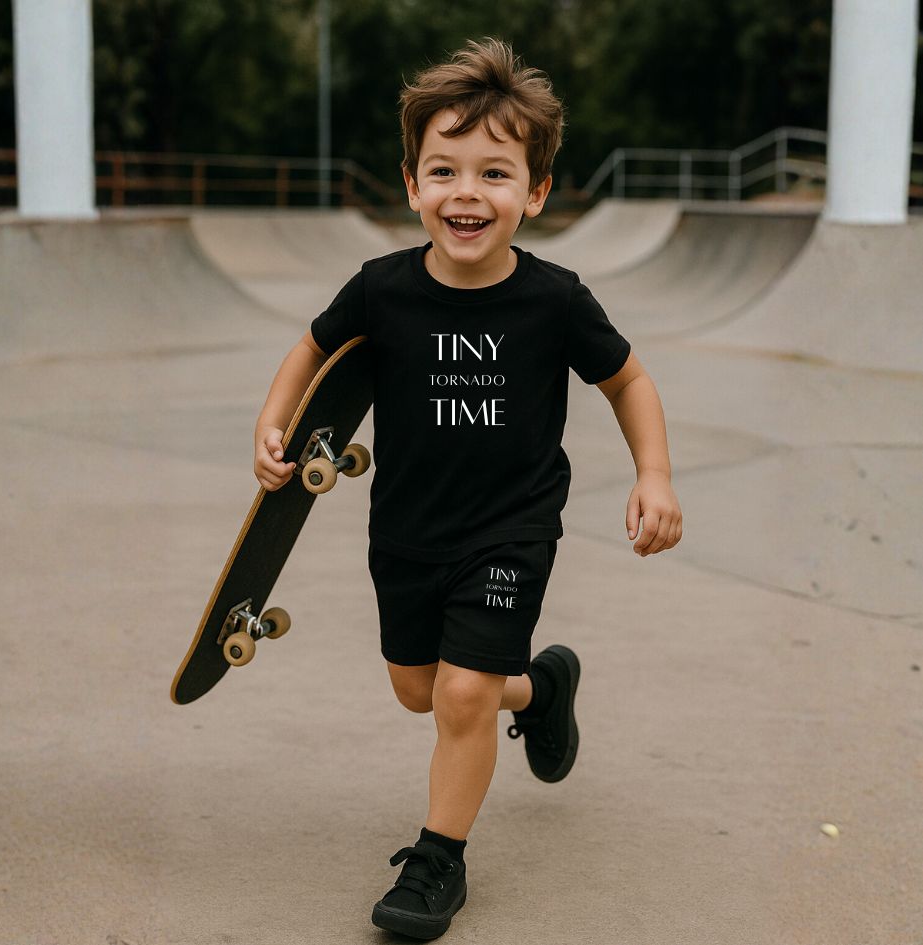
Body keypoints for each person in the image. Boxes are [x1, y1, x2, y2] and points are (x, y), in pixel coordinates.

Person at [254, 37, 682, 941]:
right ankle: (542, 689)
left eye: (494, 174)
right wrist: (276, 422)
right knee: (422, 688)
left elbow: (628, 380)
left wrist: (654, 473)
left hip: (511, 530)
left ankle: (436, 861)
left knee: (458, 695)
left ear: (533, 194)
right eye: (443, 170)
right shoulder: (381, 290)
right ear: (411, 185)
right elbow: (311, 350)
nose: (466, 193)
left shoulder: (555, 300)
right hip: (406, 532)